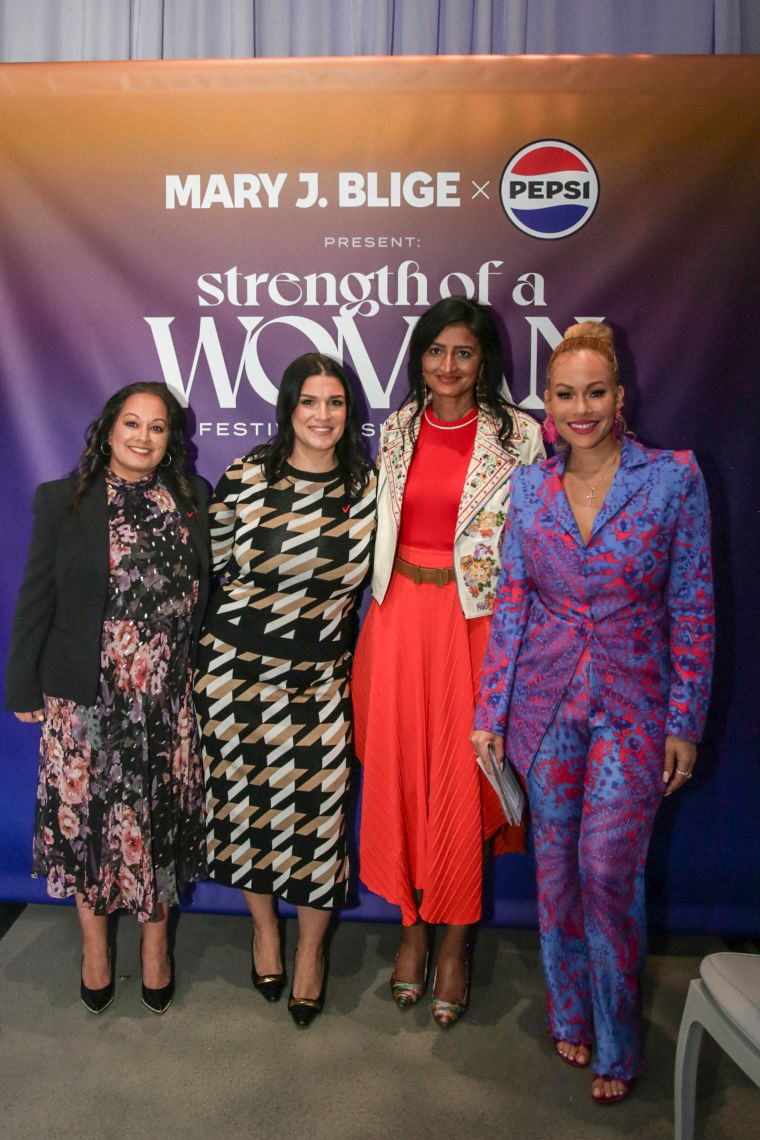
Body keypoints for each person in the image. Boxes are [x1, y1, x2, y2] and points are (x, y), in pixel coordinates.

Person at [472, 322, 714, 1102]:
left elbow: (694, 605)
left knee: (608, 871)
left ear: (620, 396)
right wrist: (491, 711)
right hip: (543, 707)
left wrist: (685, 720)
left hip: (634, 709)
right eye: (565, 394)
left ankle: (618, 1040)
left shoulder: (673, 479)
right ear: (548, 403)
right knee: (554, 868)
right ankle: (567, 1011)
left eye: (595, 393)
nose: (581, 408)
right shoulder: (528, 487)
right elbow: (512, 602)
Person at [352, 296, 544, 1027]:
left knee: (464, 778)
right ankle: (410, 930)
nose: (449, 366)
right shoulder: (398, 427)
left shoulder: (519, 434)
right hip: (398, 617)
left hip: (476, 623)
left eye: (464, 352)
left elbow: (531, 537)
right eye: (436, 351)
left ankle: (456, 944)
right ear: (420, 359)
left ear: (484, 359)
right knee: (401, 773)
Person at [4, 381, 210, 1015]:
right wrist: (22, 682)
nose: (143, 437)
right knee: (90, 832)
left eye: (157, 426)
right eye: (132, 423)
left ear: (171, 437)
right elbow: (36, 595)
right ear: (109, 428)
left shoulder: (193, 498)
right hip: (86, 701)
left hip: (165, 703)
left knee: (158, 830)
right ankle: (95, 954)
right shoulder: (63, 501)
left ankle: (156, 952)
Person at [194, 352, 376, 1028]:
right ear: (288, 409)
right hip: (234, 674)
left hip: (319, 680)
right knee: (246, 814)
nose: (322, 415)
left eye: (334, 403)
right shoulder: (245, 477)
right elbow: (209, 572)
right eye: (309, 402)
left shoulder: (369, 489)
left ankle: (310, 953)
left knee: (318, 821)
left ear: (347, 412)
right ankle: (265, 931)